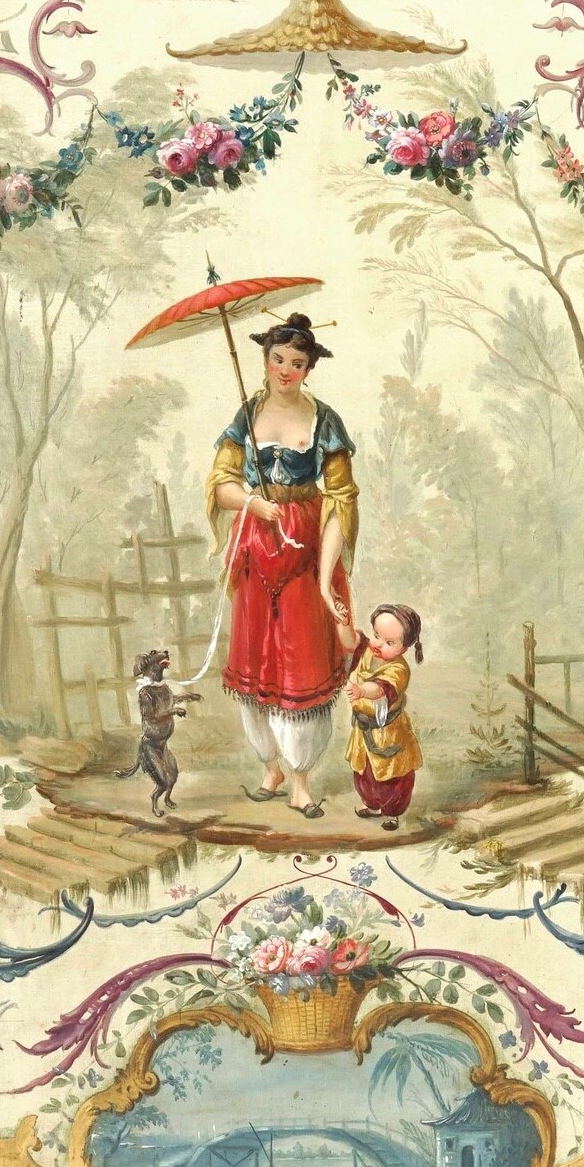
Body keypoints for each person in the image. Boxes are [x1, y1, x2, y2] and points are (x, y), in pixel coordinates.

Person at [204, 313, 358, 817]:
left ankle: (301, 781)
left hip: (305, 549)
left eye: (297, 363)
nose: (286, 370)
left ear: (309, 369)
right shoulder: (245, 415)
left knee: (301, 662)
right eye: (278, 359)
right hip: (255, 546)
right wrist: (252, 503)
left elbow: (341, 499)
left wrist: (325, 579)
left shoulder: (324, 421)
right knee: (256, 660)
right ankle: (270, 767)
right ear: (265, 360)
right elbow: (222, 484)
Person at [343, 603, 425, 831]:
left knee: (392, 776)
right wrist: (344, 623)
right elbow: (350, 642)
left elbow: (380, 689)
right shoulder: (368, 651)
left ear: (404, 648)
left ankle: (392, 812)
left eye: (389, 642)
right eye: (377, 635)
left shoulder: (399, 669)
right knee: (364, 772)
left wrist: (361, 690)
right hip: (364, 731)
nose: (378, 644)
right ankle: (371, 805)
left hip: (387, 732)